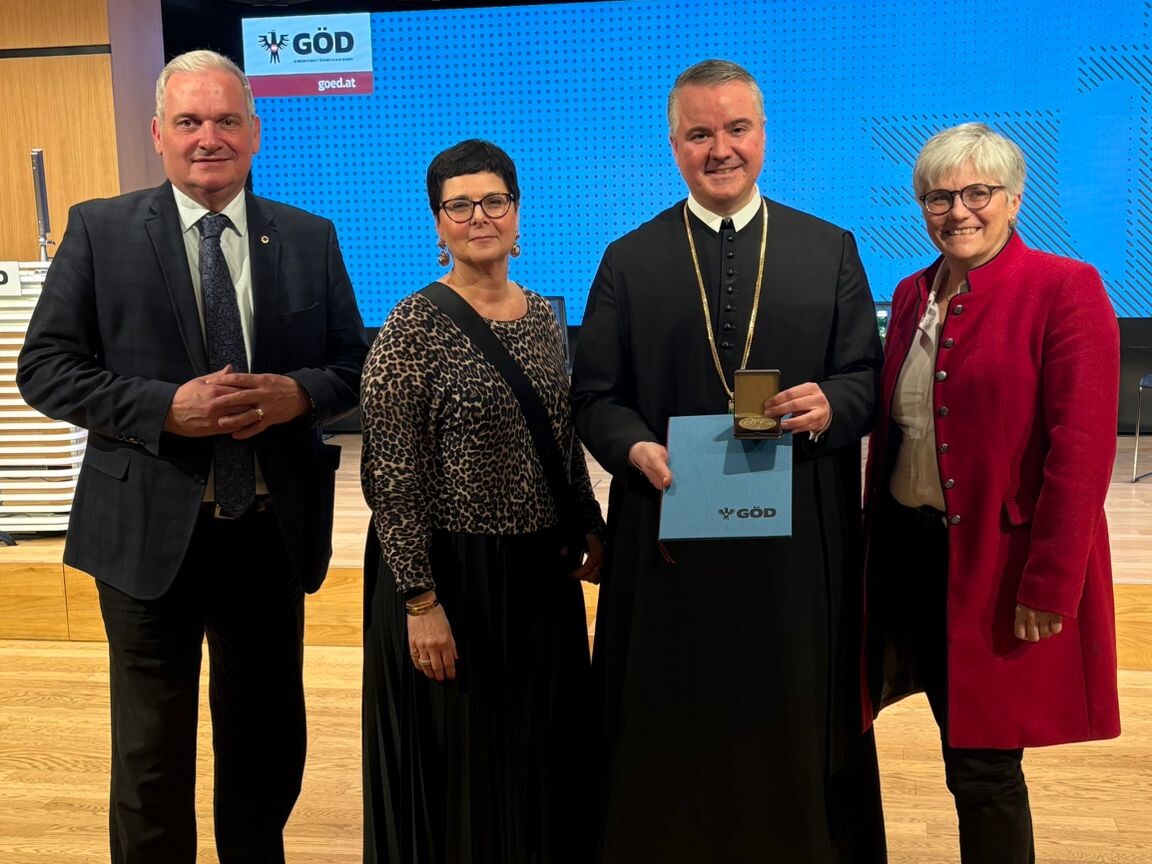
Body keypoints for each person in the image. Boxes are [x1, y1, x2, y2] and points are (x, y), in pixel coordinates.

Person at [16, 50, 367, 863]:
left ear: (254, 133)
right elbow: (46, 369)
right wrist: (163, 409)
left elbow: (353, 362)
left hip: (267, 533)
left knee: (266, 743)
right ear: (158, 135)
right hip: (143, 537)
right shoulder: (100, 229)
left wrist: (299, 394)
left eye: (226, 121)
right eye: (189, 121)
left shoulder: (308, 236)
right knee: (150, 752)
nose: (208, 137)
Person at [571, 59, 887, 863]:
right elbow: (597, 397)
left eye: (736, 128)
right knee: (673, 711)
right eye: (700, 133)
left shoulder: (829, 249)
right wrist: (632, 445)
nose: (721, 149)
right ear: (673, 144)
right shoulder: (627, 260)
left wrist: (831, 406)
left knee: (788, 706)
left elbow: (866, 380)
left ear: (763, 135)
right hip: (670, 536)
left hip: (796, 546)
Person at [863, 122, 1121, 864]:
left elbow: (1079, 452)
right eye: (938, 196)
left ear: (1014, 198)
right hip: (909, 556)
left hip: (995, 567)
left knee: (984, 767)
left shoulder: (1066, 289)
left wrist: (1051, 582)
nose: (958, 211)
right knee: (950, 754)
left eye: (977, 192)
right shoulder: (913, 292)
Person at [360, 138, 605, 864]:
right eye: (459, 205)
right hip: (450, 577)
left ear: (517, 213)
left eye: (493, 200)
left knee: (540, 749)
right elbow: (391, 476)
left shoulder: (541, 316)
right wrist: (419, 600)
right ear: (437, 224)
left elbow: (560, 441)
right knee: (461, 764)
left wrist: (588, 522)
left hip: (537, 576)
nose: (478, 216)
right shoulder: (410, 326)